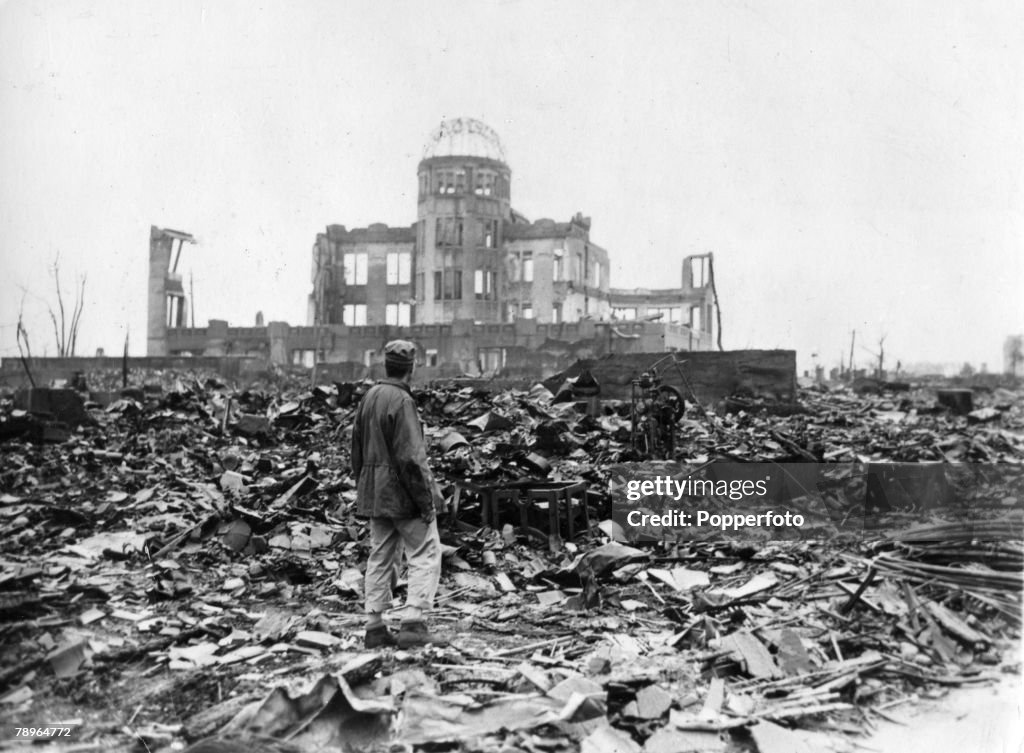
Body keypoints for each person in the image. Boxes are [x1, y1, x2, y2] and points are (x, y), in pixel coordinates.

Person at [351, 340, 446, 648]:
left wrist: (365, 486)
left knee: (380, 555)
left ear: (387, 365)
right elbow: (411, 458)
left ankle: (375, 626)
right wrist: (426, 501)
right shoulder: (402, 401)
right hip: (402, 494)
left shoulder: (369, 397)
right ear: (411, 368)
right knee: (424, 551)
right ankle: (413, 622)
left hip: (375, 495)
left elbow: (356, 450)